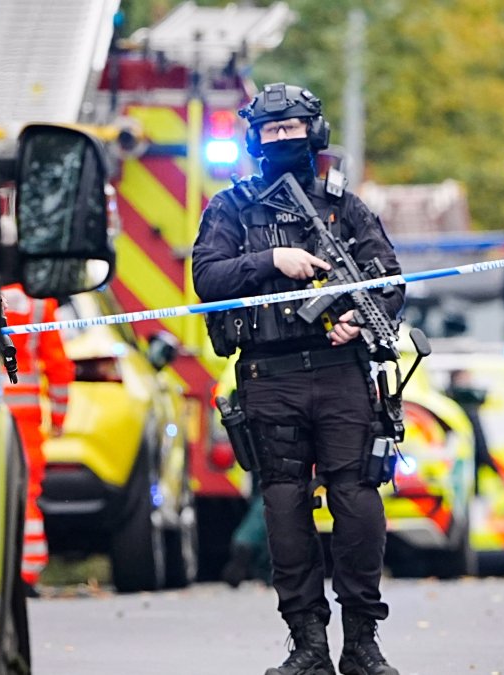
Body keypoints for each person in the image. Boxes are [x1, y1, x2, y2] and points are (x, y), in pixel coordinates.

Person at [192, 82, 404, 675]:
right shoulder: (231, 209)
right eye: (273, 130)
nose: (285, 139)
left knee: (357, 497)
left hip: (341, 374)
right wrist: (271, 262)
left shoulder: (345, 208)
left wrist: (361, 325)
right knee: (284, 503)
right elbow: (207, 278)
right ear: (255, 139)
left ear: (316, 133)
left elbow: (390, 281)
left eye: (294, 128)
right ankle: (307, 642)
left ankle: (362, 641)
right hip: (269, 372)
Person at [1, 280, 74, 592]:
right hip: (24, 417)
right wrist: (59, 415)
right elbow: (57, 366)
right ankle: (26, 571)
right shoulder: (40, 304)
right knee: (25, 491)